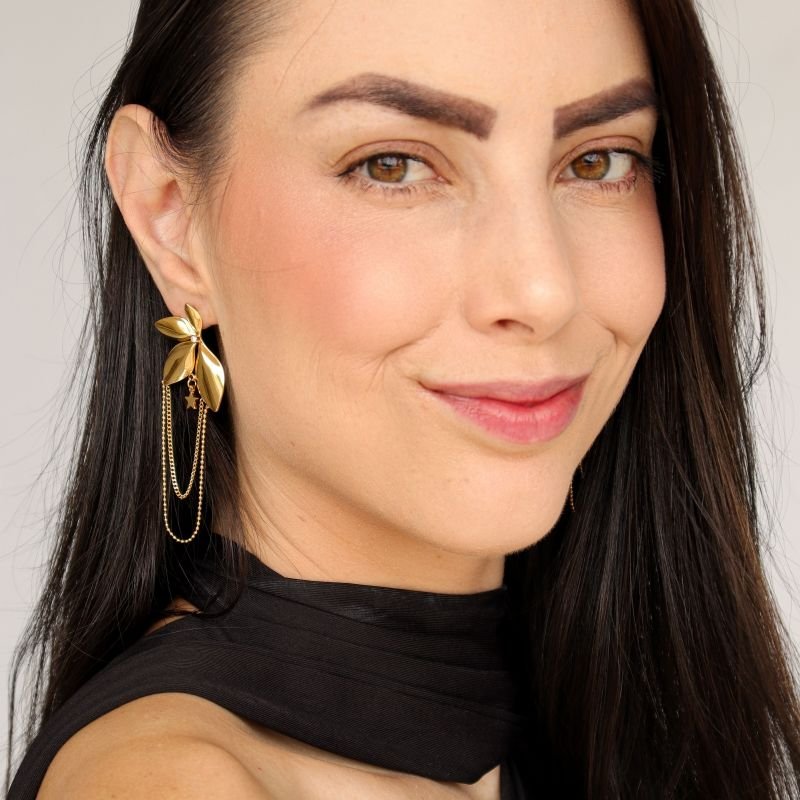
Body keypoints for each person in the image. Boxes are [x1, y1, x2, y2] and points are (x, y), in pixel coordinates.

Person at [6, 0, 800, 797]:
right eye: (393, 165)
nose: (543, 290)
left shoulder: (609, 728)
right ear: (169, 214)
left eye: (598, 161)